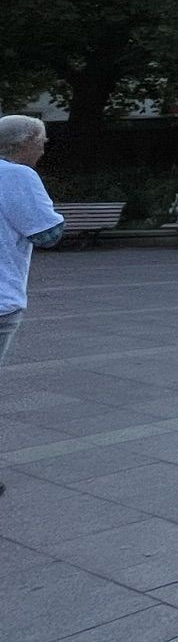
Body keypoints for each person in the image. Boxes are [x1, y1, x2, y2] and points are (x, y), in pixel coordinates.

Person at [1, 116, 61, 492]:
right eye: (42, 140)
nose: (43, 147)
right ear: (25, 142)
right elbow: (48, 233)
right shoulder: (18, 177)